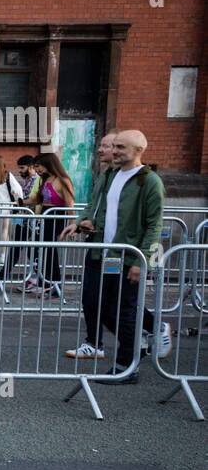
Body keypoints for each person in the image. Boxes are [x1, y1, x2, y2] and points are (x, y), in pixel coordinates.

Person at [61, 129, 169, 377]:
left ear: (138, 151)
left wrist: (142, 263)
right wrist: (84, 222)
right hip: (108, 255)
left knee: (126, 310)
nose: (115, 151)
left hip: (130, 257)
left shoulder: (149, 181)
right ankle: (135, 349)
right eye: (115, 146)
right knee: (105, 309)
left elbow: (155, 225)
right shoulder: (112, 175)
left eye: (121, 147)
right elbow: (98, 208)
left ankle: (126, 366)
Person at [23, 152, 74, 296]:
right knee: (43, 251)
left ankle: (53, 285)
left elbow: (70, 204)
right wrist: (20, 202)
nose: (37, 170)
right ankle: (45, 282)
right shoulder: (45, 179)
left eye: (38, 166)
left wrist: (72, 224)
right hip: (45, 215)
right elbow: (36, 199)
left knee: (50, 252)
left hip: (56, 216)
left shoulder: (63, 180)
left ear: (48, 164)